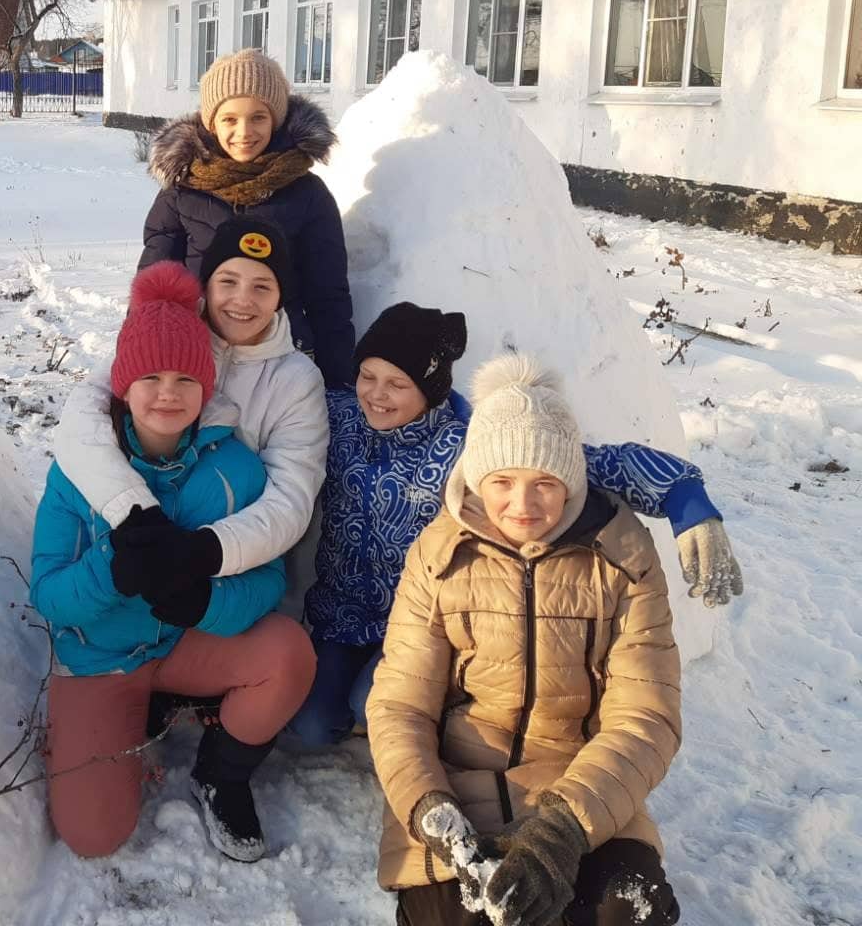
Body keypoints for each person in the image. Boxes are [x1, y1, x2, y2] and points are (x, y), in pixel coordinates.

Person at [290, 303, 743, 749]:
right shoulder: (341, 421)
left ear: (430, 388)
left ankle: (438, 710)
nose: (376, 394)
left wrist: (688, 504)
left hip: (424, 623)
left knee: (370, 704)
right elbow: (273, 416)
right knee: (313, 727)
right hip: (342, 617)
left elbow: (589, 463)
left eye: (397, 384)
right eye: (367, 376)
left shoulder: (467, 443)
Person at [367, 354, 684, 926]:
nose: (523, 505)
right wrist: (431, 807)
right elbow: (399, 705)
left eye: (544, 483)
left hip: (582, 791)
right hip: (459, 793)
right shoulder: (439, 556)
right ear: (476, 479)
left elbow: (646, 716)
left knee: (626, 910)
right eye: (502, 482)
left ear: (571, 482)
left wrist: (563, 829)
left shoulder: (622, 559)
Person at [31, 261, 316, 863]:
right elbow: (48, 595)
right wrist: (109, 574)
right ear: (122, 384)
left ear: (207, 387)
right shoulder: (80, 470)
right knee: (94, 836)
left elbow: (267, 579)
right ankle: (116, 723)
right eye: (150, 377)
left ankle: (220, 771)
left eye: (186, 377)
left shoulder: (235, 468)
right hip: (101, 657)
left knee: (287, 653)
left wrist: (206, 601)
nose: (168, 392)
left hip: (183, 643)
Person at [52, 219, 329, 620]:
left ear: (280, 297)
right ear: (207, 284)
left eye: (262, 287)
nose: (243, 300)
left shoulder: (296, 380)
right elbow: (81, 421)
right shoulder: (166, 334)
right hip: (137, 542)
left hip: (236, 567)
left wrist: (207, 551)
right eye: (228, 281)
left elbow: (291, 497)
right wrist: (137, 514)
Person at [140, 48, 355, 387]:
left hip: (280, 360)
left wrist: (337, 381)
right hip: (197, 357)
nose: (244, 132)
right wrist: (140, 360)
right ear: (211, 122)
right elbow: (155, 285)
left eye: (258, 117)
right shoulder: (183, 191)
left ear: (276, 120)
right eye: (230, 119)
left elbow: (327, 295)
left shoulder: (307, 194)